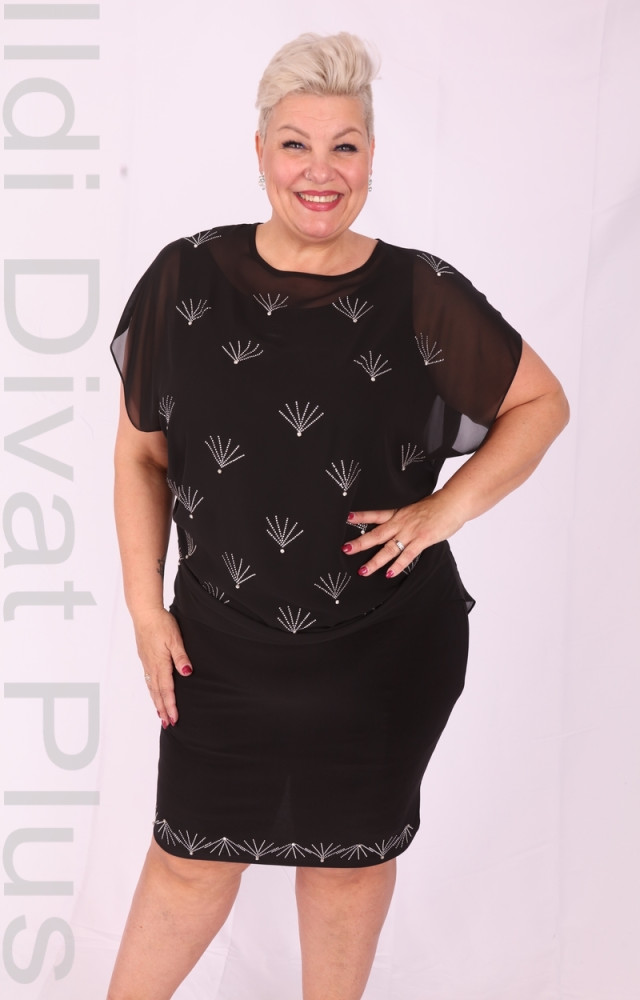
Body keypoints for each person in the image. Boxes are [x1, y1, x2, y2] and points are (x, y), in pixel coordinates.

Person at [107, 30, 569, 1000]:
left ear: (370, 157)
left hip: (381, 643)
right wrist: (145, 610)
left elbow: (540, 404)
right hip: (218, 640)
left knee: (349, 867)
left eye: (344, 146)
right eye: (296, 144)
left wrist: (441, 511)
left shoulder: (420, 292)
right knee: (189, 862)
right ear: (260, 151)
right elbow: (142, 455)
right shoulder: (183, 281)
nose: (320, 171)